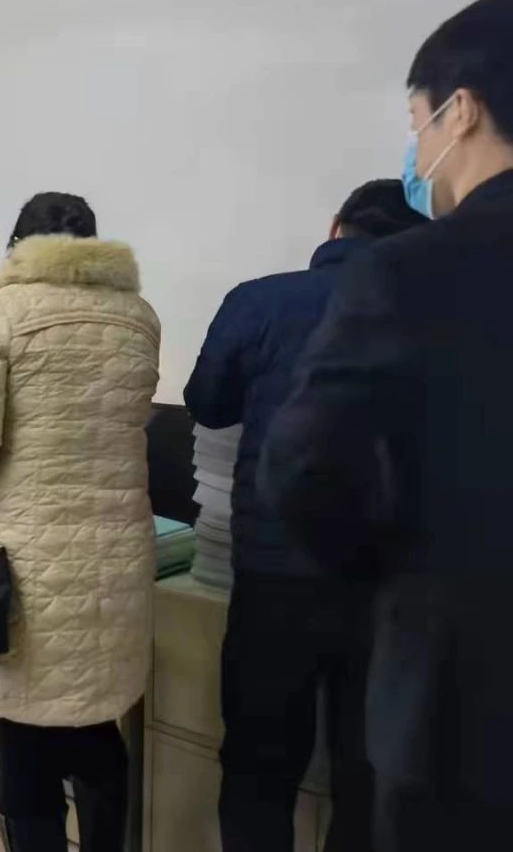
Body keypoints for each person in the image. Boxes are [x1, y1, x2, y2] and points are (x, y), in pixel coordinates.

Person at [258, 0, 513, 852]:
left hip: (458, 706)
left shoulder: (409, 271)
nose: (420, 150)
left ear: (460, 111)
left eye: (418, 123)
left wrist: (386, 571)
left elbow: (302, 468)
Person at [184, 181, 427, 851]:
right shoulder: (434, 316)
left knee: (259, 765)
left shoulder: (259, 299)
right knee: (368, 773)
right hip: (386, 589)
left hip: (274, 575)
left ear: (334, 226)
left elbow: (207, 402)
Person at [0, 193, 160, 852]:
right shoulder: (139, 317)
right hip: (118, 561)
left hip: (29, 564)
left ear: (19, 246)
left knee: (27, 738)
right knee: (94, 723)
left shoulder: (2, 310)